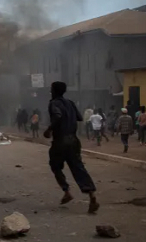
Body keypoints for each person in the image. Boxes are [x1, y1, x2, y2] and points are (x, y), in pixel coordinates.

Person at [43, 81, 99, 214]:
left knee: (55, 165)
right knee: (78, 167)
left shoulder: (54, 103)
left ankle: (66, 191)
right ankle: (92, 196)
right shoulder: (71, 103)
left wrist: (49, 129)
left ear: (54, 90)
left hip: (61, 140)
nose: (51, 91)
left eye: (51, 89)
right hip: (74, 140)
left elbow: (57, 115)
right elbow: (79, 118)